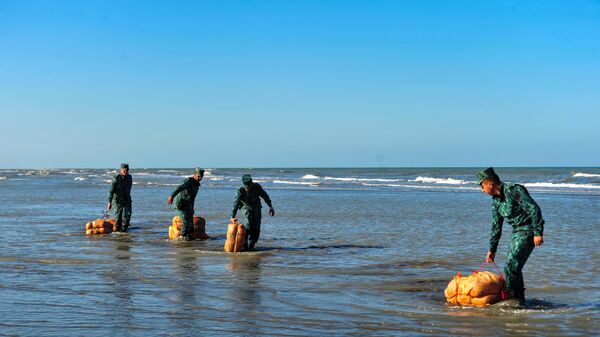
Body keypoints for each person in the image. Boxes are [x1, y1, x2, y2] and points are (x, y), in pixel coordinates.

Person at [477, 167, 544, 304]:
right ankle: (519, 298)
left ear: (490, 184)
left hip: (528, 230)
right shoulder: (496, 202)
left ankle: (514, 298)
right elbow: (496, 226)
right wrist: (492, 249)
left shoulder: (514, 190)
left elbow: (534, 209)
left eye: (482, 186)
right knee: (513, 267)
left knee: (510, 265)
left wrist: (538, 233)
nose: (482, 190)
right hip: (516, 232)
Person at [231, 174, 275, 250]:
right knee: (249, 224)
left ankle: (252, 245)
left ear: (252, 183)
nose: (247, 188)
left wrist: (270, 207)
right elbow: (235, 203)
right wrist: (232, 216)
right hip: (246, 208)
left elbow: (265, 196)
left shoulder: (257, 187)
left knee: (257, 226)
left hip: (257, 208)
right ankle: (245, 245)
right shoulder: (240, 190)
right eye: (246, 187)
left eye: (249, 186)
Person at [167, 168, 204, 240]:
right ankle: (182, 239)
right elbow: (179, 188)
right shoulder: (189, 181)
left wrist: (192, 208)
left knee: (190, 225)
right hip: (181, 204)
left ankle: (190, 238)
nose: (200, 178)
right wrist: (171, 196)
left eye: (201, 177)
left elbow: (192, 198)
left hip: (188, 206)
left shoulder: (197, 185)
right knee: (186, 222)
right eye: (198, 176)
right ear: (195, 174)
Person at [108, 163, 133, 232]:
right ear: (121, 170)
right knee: (118, 220)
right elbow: (111, 190)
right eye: (124, 170)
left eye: (127, 170)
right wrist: (109, 202)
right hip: (117, 201)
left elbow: (129, 189)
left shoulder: (129, 177)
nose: (126, 171)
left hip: (127, 199)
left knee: (127, 216)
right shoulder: (116, 178)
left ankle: (124, 233)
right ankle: (117, 234)